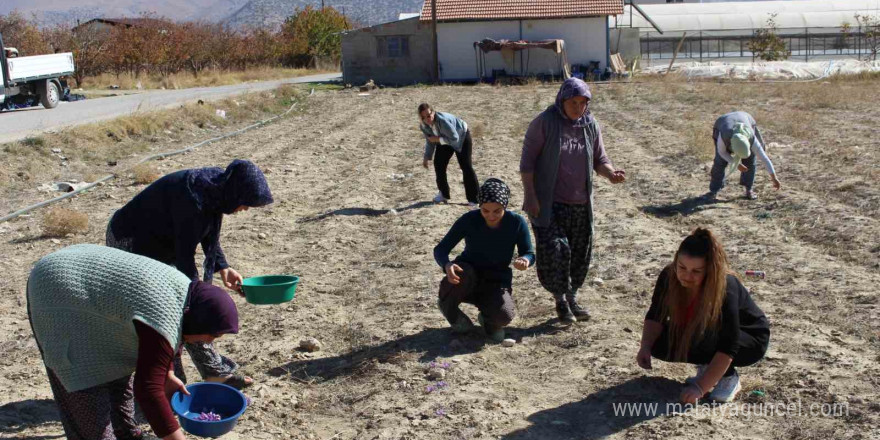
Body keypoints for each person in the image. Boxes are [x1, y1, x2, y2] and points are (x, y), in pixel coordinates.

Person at [27, 244, 240, 440]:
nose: (210, 341)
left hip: (84, 279)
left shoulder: (188, 299)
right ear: (200, 322)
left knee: (118, 372)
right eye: (213, 335)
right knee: (84, 381)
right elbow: (149, 391)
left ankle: (127, 433)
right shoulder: (164, 318)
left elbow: (166, 342)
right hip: (56, 285)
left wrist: (168, 373)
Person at [106, 159, 273, 389]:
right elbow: (185, 257)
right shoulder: (191, 201)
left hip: (165, 241)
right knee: (169, 312)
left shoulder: (217, 186)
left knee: (191, 309)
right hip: (132, 241)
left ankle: (214, 373)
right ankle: (169, 380)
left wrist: (222, 267)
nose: (244, 209)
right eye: (245, 204)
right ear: (236, 194)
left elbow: (208, 226)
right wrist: (196, 300)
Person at [519, 78, 626, 324]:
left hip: (580, 203)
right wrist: (530, 195)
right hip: (549, 202)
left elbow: (600, 159)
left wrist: (610, 174)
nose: (579, 108)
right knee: (557, 250)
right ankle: (560, 300)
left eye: (583, 103)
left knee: (579, 253)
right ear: (562, 100)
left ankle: (572, 296)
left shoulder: (590, 124)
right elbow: (527, 164)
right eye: (573, 102)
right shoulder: (544, 123)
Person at [636, 228, 770, 404]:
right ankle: (710, 368)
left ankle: (728, 377)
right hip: (705, 332)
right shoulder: (668, 276)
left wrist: (700, 387)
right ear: (676, 260)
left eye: (696, 271)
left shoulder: (725, 286)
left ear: (709, 270)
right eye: (682, 267)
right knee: (658, 343)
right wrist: (645, 346)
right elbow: (656, 314)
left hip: (748, 339)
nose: (687, 276)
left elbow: (729, 343)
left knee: (707, 335)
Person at [433, 178, 535, 342]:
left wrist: (525, 260)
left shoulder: (516, 222)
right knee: (463, 271)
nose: (491, 216)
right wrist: (447, 264)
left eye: (497, 211)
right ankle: (449, 308)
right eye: (485, 210)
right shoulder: (469, 219)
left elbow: (529, 252)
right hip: (467, 276)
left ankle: (488, 319)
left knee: (504, 316)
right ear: (479, 206)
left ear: (505, 206)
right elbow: (440, 249)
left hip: (496, 280)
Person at [708, 111, 781, 200]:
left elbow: (764, 158)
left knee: (750, 162)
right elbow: (722, 152)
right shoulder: (724, 136)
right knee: (720, 162)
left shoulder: (751, 138)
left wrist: (774, 178)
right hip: (722, 123)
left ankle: (748, 189)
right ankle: (714, 190)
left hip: (746, 119)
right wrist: (736, 164)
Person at [418, 103, 480, 207]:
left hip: (461, 136)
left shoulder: (442, 121)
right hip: (445, 139)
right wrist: (426, 157)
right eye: (423, 117)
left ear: (433, 112)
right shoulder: (424, 126)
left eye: (428, 115)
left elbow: (454, 138)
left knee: (466, 166)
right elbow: (430, 141)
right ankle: (443, 194)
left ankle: (474, 199)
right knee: (439, 164)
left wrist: (438, 139)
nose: (427, 119)